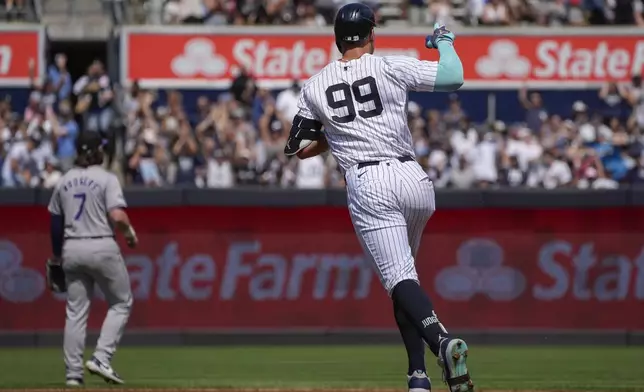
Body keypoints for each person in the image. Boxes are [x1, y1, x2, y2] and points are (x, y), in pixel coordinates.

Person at [284, 4, 473, 392]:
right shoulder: (390, 65)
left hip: (369, 181)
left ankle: (440, 341)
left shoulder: (315, 85)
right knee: (405, 280)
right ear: (371, 33)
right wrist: (445, 41)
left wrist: (336, 132)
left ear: (337, 38)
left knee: (399, 279)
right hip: (413, 178)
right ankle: (417, 376)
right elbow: (453, 76)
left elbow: (297, 148)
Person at [46, 131, 138, 387]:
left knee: (75, 313)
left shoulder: (64, 180)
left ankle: (73, 375)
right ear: (98, 151)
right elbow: (118, 216)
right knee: (121, 302)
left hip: (72, 248)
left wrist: (56, 255)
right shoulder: (107, 178)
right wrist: (129, 235)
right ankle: (101, 357)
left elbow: (55, 222)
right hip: (101, 243)